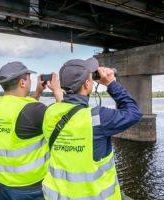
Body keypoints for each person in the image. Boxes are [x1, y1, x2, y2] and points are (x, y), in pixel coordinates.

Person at [41, 58, 142, 199]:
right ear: (87, 84)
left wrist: (58, 92)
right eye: (90, 76)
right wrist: (111, 83)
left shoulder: (50, 112)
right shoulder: (97, 118)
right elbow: (134, 112)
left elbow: (67, 110)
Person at [0, 61, 63, 200]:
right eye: (29, 78)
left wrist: (37, 92)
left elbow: (22, 113)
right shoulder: (33, 110)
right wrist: (57, 91)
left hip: (2, 184)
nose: (30, 81)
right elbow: (68, 121)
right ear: (22, 83)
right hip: (31, 188)